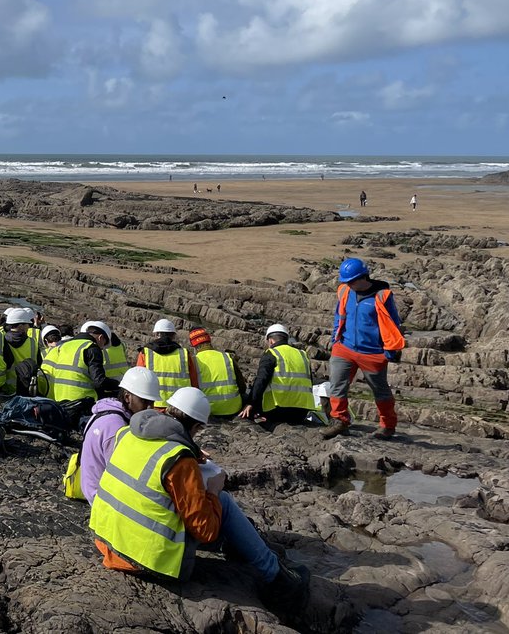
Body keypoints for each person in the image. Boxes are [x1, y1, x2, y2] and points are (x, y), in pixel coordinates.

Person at [89, 387, 310, 615]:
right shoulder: (178, 460)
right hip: (148, 560)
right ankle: (276, 576)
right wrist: (213, 491)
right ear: (196, 427)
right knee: (221, 502)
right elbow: (206, 531)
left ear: (165, 410)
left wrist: (191, 452)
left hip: (106, 543)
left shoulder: (127, 434)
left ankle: (246, 550)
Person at [325, 258, 405, 440]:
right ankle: (339, 421)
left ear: (363, 277)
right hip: (344, 347)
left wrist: (389, 351)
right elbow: (340, 315)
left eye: (351, 281)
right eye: (346, 281)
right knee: (337, 385)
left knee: (380, 391)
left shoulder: (382, 296)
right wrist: (334, 340)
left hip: (372, 353)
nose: (348, 284)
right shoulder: (345, 291)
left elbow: (393, 324)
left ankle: (387, 426)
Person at [79, 367, 160, 504]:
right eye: (145, 401)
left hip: (94, 489)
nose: (149, 408)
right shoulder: (115, 426)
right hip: (101, 498)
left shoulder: (107, 411)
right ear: (128, 397)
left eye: (151, 402)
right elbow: (121, 471)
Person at [239, 324, 317, 428]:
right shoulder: (302, 354)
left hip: (278, 411)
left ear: (270, 340)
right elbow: (310, 381)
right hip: (302, 412)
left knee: (247, 396)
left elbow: (261, 381)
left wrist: (250, 403)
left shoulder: (272, 353)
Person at [42, 318, 116, 424]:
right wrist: (119, 385)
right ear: (100, 338)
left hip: (60, 401)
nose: (103, 348)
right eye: (104, 344)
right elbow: (99, 382)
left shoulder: (64, 345)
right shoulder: (92, 348)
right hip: (82, 404)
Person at [136, 319, 198, 406]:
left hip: (154, 405)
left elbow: (139, 382)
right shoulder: (184, 353)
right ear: (173, 336)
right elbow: (194, 382)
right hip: (180, 406)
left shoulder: (145, 353)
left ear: (156, 334)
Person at [189, 327, 245, 418]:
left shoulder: (194, 361)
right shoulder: (227, 357)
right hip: (234, 409)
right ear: (209, 340)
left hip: (208, 411)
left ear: (193, 345)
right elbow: (242, 387)